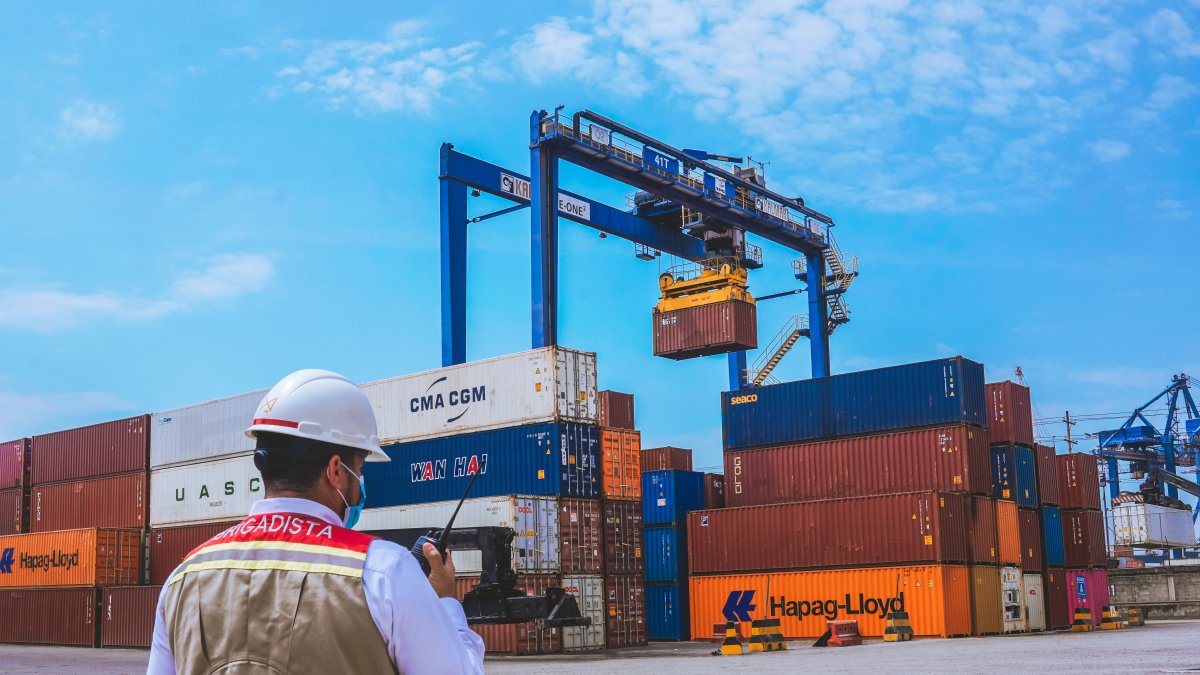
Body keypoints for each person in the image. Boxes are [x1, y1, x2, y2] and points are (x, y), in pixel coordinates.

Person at [147, 369, 485, 674]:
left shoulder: (183, 578)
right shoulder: (384, 572)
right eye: (361, 469)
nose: (361, 484)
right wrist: (445, 604)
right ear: (337, 471)